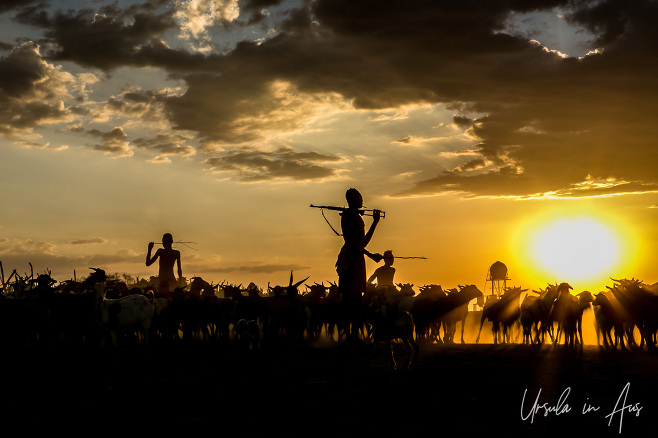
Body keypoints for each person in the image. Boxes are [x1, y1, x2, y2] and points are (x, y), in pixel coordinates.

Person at [335, 188, 382, 340]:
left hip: (356, 259)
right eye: (359, 198)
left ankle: (353, 334)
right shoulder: (349, 217)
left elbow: (361, 243)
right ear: (351, 200)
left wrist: (375, 222)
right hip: (351, 261)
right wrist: (369, 254)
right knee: (352, 300)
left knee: (355, 300)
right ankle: (351, 335)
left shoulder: (354, 216)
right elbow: (355, 242)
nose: (362, 201)